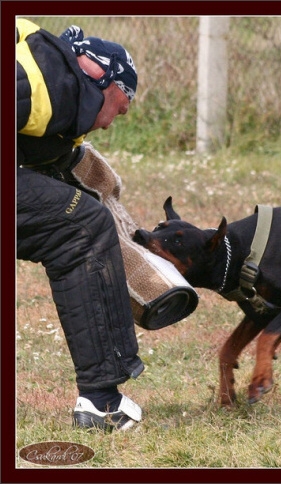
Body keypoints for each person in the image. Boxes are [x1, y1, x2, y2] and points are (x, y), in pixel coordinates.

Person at [16, 18, 144, 432]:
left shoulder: (54, 80)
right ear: (102, 79)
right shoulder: (35, 83)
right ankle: (101, 403)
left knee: (79, 216)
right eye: (119, 108)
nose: (108, 124)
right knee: (82, 228)